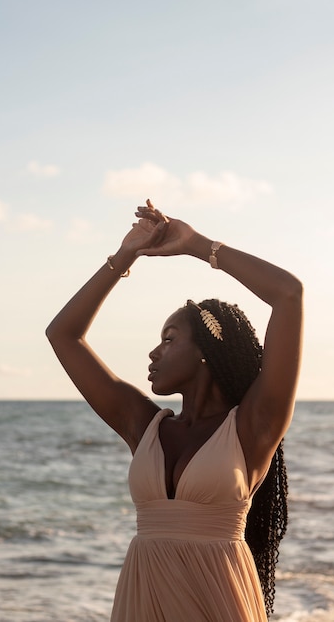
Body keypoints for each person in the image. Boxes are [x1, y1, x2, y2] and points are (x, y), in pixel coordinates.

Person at [46, 200, 303, 621]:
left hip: (218, 604)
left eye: (168, 339)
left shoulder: (254, 426)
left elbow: (288, 295)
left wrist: (198, 245)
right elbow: (63, 335)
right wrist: (125, 255)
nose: (153, 352)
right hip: (143, 603)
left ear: (207, 351)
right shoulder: (142, 425)